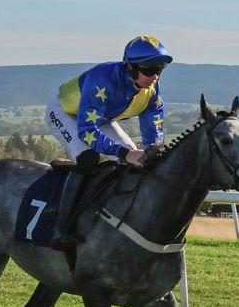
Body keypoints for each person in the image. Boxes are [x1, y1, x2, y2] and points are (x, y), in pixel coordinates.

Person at [43, 36, 173, 253]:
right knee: (88, 158)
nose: (155, 76)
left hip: (100, 120)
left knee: (137, 163)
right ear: (130, 67)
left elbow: (153, 132)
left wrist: (151, 151)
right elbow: (86, 131)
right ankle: (61, 227)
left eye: (160, 69)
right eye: (149, 69)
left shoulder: (152, 89)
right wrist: (123, 152)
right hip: (65, 113)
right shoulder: (102, 79)